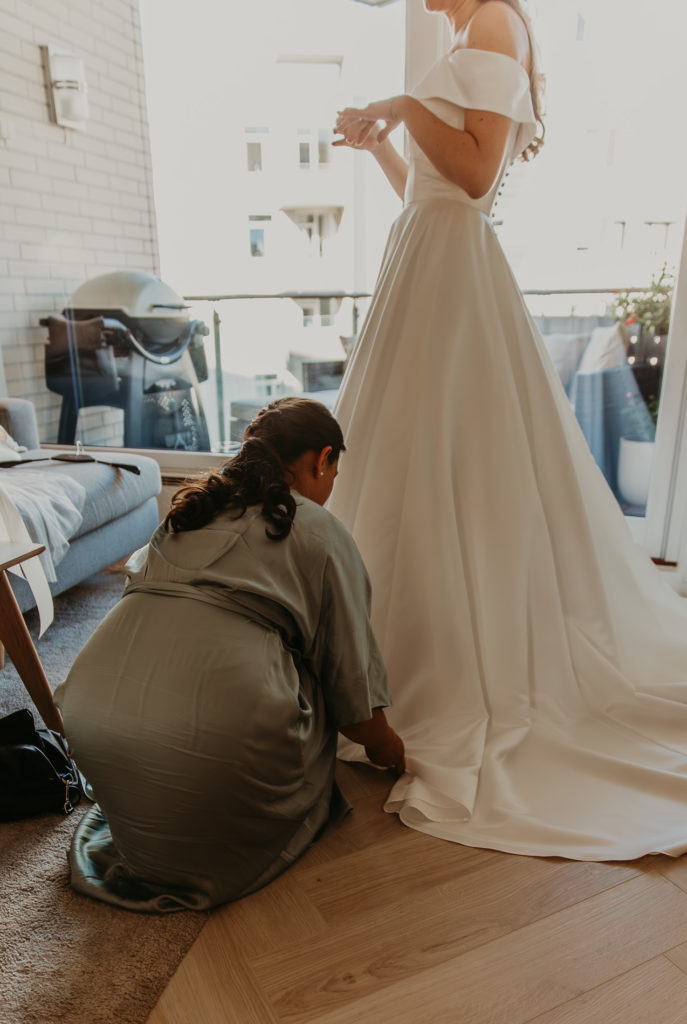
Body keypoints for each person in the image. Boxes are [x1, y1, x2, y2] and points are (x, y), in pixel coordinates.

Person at [328, 0, 687, 861]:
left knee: (453, 459)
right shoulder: (466, 32)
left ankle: (444, 664)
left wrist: (401, 104)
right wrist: (382, 143)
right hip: (422, 254)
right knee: (408, 460)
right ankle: (384, 658)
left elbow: (475, 175)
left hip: (450, 272)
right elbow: (429, 187)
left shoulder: (493, 22)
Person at [54, 397, 404, 911]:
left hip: (89, 720)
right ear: (322, 459)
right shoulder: (318, 529)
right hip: (217, 740)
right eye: (335, 471)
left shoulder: (187, 513)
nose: (331, 483)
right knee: (304, 666)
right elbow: (351, 691)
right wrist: (389, 749)